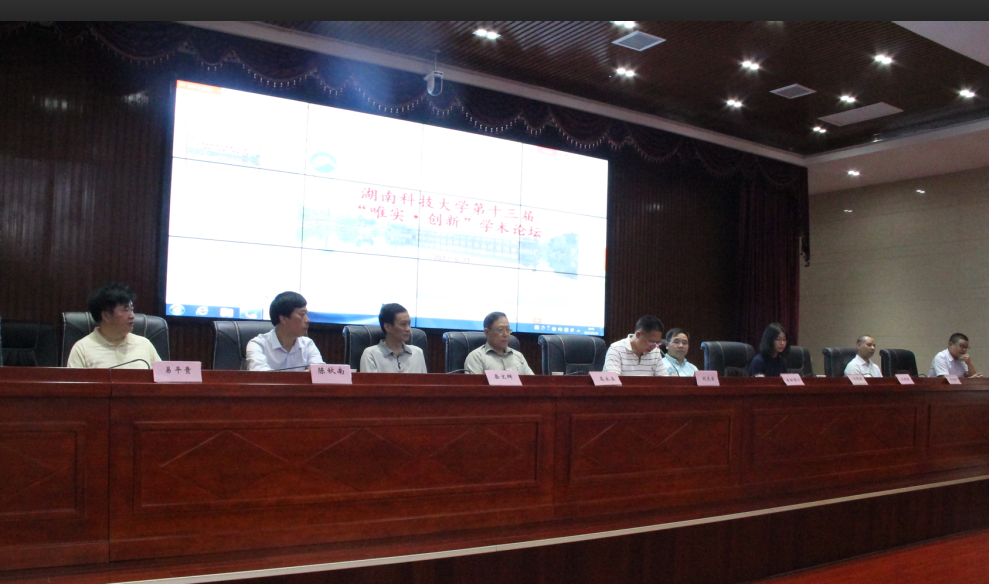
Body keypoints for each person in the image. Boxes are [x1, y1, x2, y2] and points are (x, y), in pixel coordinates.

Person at [67, 282, 162, 369]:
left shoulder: (145, 344)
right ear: (106, 315)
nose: (132, 316)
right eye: (125, 310)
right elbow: (72, 382)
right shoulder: (82, 348)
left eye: (132, 309)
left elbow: (163, 379)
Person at [246, 291, 324, 371]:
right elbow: (260, 374)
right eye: (302, 314)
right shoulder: (258, 344)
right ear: (283, 319)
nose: (307, 320)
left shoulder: (308, 344)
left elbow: (320, 371)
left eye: (306, 315)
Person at [360, 303, 427, 373]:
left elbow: (424, 380)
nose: (408, 329)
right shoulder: (371, 354)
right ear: (387, 327)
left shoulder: (417, 353)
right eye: (403, 324)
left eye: (409, 324)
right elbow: (369, 380)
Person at [464, 312, 534, 374]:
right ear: (487, 332)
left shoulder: (518, 356)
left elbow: (532, 382)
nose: (506, 334)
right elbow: (475, 385)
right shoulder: (477, 357)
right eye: (500, 330)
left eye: (508, 330)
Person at [602, 315, 670, 376]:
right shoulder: (616, 349)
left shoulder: (655, 351)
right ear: (638, 335)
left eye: (657, 342)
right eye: (651, 342)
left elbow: (663, 379)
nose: (654, 346)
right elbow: (613, 380)